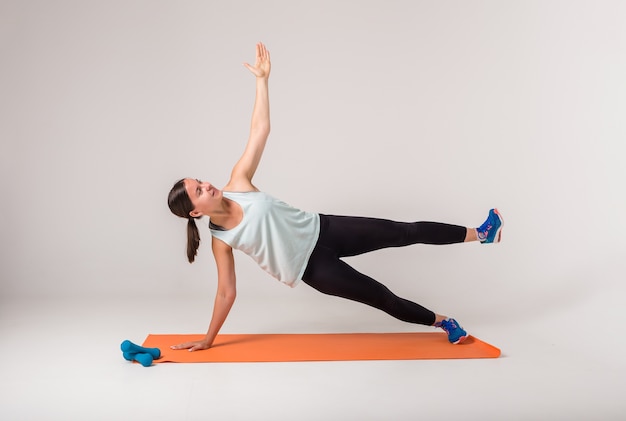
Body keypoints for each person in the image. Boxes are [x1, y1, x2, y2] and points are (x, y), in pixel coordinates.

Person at [167, 43, 503, 352]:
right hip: (313, 268)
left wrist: (262, 82)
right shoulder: (220, 240)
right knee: (384, 298)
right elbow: (227, 292)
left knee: (406, 231)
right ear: (195, 213)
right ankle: (444, 322)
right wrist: (209, 339)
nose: (206, 185)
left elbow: (259, 130)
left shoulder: (238, 181)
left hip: (326, 228)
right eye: (198, 191)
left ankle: (482, 234)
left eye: (200, 181)